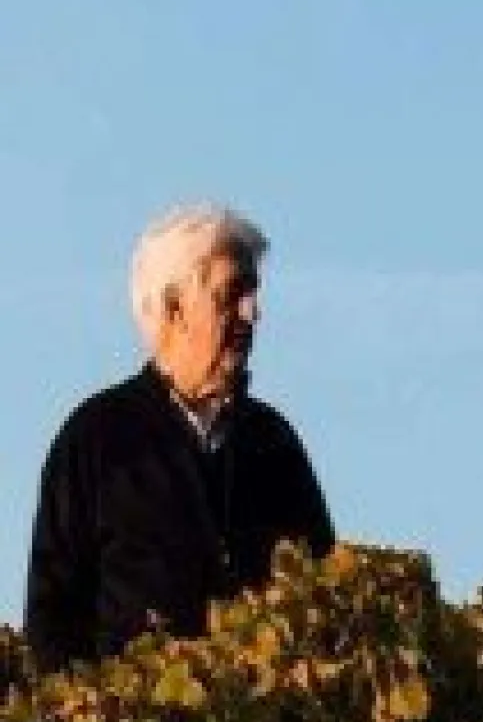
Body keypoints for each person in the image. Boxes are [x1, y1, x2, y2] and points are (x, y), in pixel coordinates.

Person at [24, 205, 335, 675]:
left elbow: (326, 591)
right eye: (232, 294)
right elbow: (53, 619)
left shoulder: (273, 443)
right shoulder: (95, 440)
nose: (252, 313)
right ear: (174, 309)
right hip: (136, 719)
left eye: (253, 294)